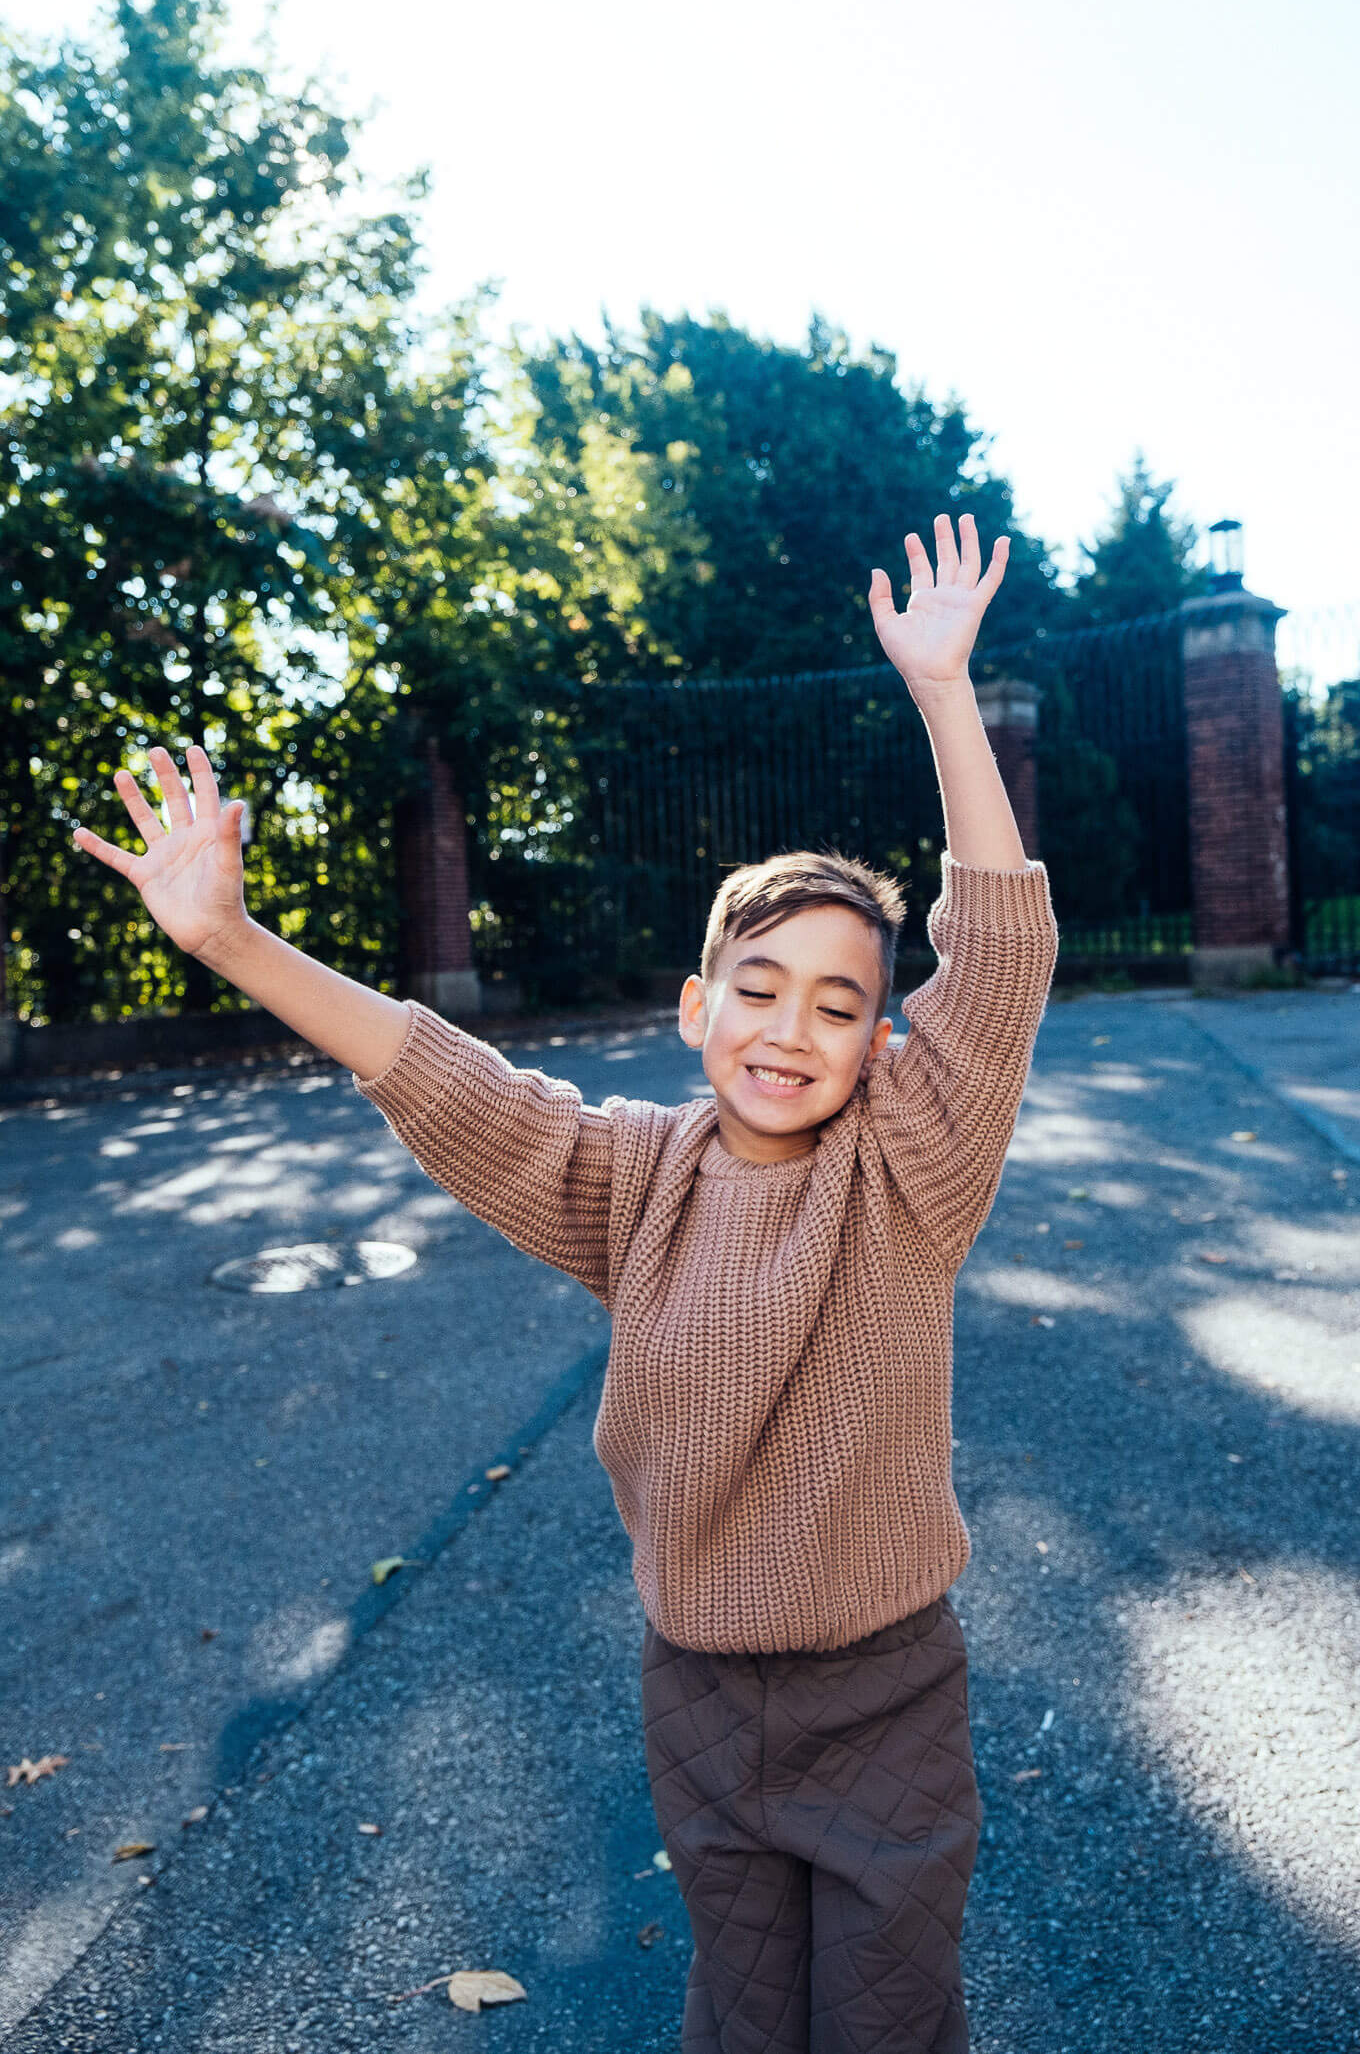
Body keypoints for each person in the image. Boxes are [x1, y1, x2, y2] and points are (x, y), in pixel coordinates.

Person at [73, 511, 1060, 2052]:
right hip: (704, 1701)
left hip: (885, 1700)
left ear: (882, 1039)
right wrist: (235, 937)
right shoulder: (635, 1175)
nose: (792, 1026)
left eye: (839, 1002)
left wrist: (943, 691)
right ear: (695, 1005)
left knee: (885, 2025)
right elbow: (448, 1075)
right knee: (738, 2019)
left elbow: (996, 965)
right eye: (759, 986)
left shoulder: (911, 1167)